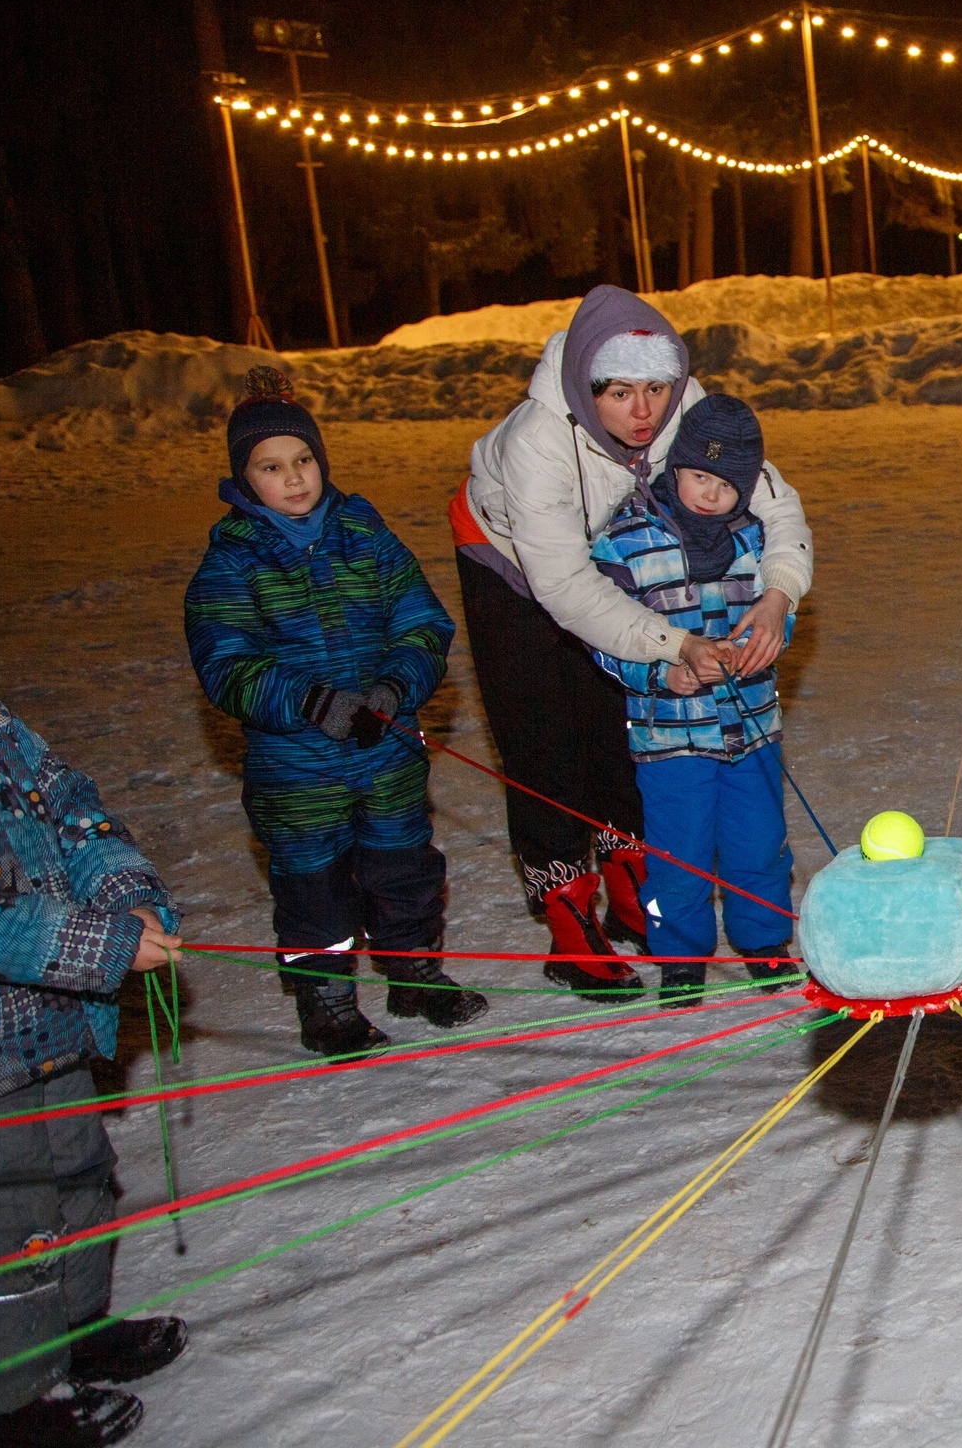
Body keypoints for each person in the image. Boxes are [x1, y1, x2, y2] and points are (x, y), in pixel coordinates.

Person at [453, 287, 812, 1000]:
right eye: (619, 393)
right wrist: (674, 644)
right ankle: (567, 914)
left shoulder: (686, 405)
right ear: (589, 386)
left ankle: (629, 885)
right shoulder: (536, 441)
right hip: (515, 566)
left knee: (623, 726)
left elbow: (777, 508)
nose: (644, 412)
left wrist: (777, 595)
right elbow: (566, 586)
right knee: (544, 738)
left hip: (628, 555)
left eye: (656, 389)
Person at [186, 370, 482, 1056]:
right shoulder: (232, 564)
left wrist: (395, 687)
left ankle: (414, 972)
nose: (294, 478)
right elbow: (227, 665)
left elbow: (422, 622)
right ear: (242, 478)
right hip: (297, 768)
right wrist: (309, 701)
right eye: (271, 467)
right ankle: (326, 1000)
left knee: (404, 867)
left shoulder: (366, 537)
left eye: (303, 460)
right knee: (313, 885)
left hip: (386, 750)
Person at [0, 699, 188, 1446]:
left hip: (53, 1021)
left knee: (79, 1171)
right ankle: (12, 1397)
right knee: (5, 1216)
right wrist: (100, 943)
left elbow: (75, 812)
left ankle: (72, 1327)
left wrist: (129, 897)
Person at [590, 394, 797, 1010]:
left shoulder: (757, 539)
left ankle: (764, 942)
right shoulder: (625, 543)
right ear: (674, 465)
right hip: (670, 741)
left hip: (751, 731)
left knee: (759, 844)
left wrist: (767, 640)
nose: (710, 494)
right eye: (700, 476)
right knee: (676, 857)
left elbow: (779, 615)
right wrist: (659, 673)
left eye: (727, 484)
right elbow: (602, 637)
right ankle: (679, 957)